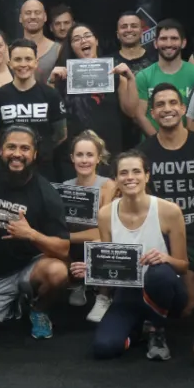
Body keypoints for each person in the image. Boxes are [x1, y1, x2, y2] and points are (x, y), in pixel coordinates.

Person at [71, 150, 188, 361]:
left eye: (136, 171)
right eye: (123, 173)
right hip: (129, 292)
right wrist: (92, 270)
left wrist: (165, 258)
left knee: (159, 273)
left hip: (164, 288)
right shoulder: (106, 214)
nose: (130, 177)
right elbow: (108, 265)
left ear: (147, 175)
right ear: (115, 179)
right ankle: (137, 330)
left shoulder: (169, 211)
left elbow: (182, 266)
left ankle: (156, 329)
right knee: (104, 348)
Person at [0, 126, 71, 339]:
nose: (17, 154)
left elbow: (63, 249)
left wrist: (31, 234)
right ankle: (12, 305)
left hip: (29, 269)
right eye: (11, 147)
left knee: (57, 272)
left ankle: (38, 309)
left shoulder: (46, 193)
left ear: (34, 154)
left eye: (25, 148)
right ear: (0, 151)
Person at [136, 83, 194, 309]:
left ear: (183, 108)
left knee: (186, 308)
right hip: (159, 237)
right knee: (160, 298)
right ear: (153, 113)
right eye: (160, 105)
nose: (167, 109)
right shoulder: (143, 153)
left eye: (172, 103)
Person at [49, 23, 140, 160]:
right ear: (72, 47)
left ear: (96, 41)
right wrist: (51, 82)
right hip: (74, 153)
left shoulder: (114, 73)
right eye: (77, 39)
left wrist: (130, 78)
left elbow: (131, 111)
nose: (83, 41)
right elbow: (49, 112)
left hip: (108, 150)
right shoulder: (63, 76)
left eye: (87, 36)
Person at [0, 39, 67, 180]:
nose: (23, 64)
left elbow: (61, 134)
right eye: (17, 59)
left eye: (28, 59)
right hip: (9, 168)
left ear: (36, 62)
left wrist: (42, 150)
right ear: (10, 64)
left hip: (43, 169)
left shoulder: (51, 95)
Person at [61, 131, 117, 316]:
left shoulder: (108, 185)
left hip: (98, 240)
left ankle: (103, 295)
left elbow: (105, 231)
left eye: (89, 155)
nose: (84, 160)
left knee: (100, 243)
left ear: (98, 158)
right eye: (79, 155)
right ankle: (77, 283)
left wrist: (66, 237)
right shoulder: (65, 186)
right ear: (72, 158)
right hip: (73, 245)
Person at [130, 20, 194, 136]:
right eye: (163, 39)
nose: (169, 44)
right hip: (153, 146)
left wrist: (188, 143)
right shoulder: (143, 76)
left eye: (174, 38)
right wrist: (160, 143)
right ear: (155, 43)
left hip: (190, 145)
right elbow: (140, 116)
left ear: (183, 43)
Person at [18, 0, 62, 83]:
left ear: (45, 17)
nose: (33, 17)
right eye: (28, 13)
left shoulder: (58, 50)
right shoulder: (11, 51)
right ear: (20, 18)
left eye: (37, 12)